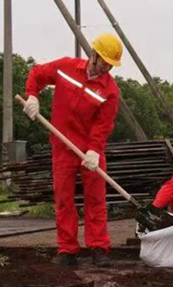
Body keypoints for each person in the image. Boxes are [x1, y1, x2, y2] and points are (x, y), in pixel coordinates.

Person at [23, 33, 124, 267]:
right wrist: (32, 95)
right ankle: (67, 250)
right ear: (94, 55)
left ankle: (99, 248)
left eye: (111, 64)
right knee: (64, 199)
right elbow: (37, 73)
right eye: (105, 62)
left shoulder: (110, 90)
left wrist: (94, 151)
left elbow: (103, 125)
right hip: (62, 146)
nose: (107, 67)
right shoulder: (66, 68)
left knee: (95, 199)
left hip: (90, 151)